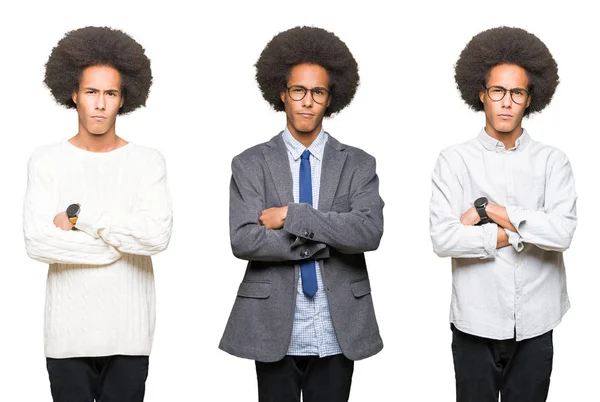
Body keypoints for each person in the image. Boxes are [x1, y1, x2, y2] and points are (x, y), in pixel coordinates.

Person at [219, 26, 384, 402]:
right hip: (274, 325)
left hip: (337, 325)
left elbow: (368, 231)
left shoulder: (358, 163)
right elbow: (244, 238)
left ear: (330, 99)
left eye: (318, 92)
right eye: (298, 91)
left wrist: (292, 216)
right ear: (282, 94)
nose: (307, 101)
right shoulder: (250, 163)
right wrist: (327, 238)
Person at [23, 26, 172, 402]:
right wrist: (115, 248)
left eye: (110, 93)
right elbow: (37, 241)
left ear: (124, 98)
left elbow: (156, 237)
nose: (100, 104)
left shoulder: (146, 162)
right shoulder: (47, 161)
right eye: (91, 92)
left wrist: (82, 218)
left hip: (129, 337)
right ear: (74, 94)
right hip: (67, 338)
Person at [429, 26, 577, 402]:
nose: (507, 102)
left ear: (530, 99)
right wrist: (520, 232)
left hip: (536, 323)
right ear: (482, 94)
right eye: (498, 91)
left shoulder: (552, 162)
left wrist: (489, 211)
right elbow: (443, 238)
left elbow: (561, 234)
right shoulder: (454, 161)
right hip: (474, 324)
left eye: (517, 92)